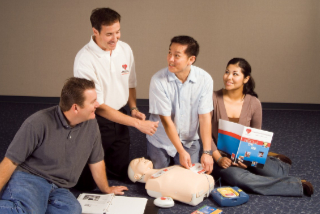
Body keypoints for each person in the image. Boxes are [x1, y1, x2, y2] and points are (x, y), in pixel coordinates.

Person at [0, 77, 128, 214]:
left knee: (72, 211)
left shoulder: (91, 124)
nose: (98, 104)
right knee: (26, 211)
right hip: (31, 178)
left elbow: (96, 160)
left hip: (60, 186)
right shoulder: (37, 122)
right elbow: (10, 162)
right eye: (93, 101)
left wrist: (106, 189)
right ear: (75, 108)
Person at [74, 8, 159, 186]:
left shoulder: (125, 49)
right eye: (109, 34)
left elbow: (130, 82)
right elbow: (98, 105)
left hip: (120, 114)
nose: (115, 38)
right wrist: (137, 123)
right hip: (95, 117)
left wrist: (134, 108)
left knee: (120, 172)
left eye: (118, 32)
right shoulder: (84, 60)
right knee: (87, 183)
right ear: (95, 31)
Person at [211, 58, 314, 197]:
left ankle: (275, 159)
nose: (229, 77)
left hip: (244, 153)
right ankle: (295, 186)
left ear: (246, 79)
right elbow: (204, 134)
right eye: (227, 72)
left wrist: (247, 161)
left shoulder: (254, 103)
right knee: (239, 178)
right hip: (219, 155)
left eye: (235, 74)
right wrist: (218, 158)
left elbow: (255, 136)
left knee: (276, 172)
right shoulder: (212, 98)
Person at [146, 36, 214, 174]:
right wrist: (181, 152)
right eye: (169, 53)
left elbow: (205, 117)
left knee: (188, 182)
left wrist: (207, 152)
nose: (170, 59)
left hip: (189, 140)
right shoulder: (158, 80)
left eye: (177, 55)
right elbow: (166, 121)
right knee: (159, 181)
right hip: (161, 139)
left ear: (191, 59)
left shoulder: (205, 79)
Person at [128, 157, 214, 206]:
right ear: (137, 176)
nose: (142, 158)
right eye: (137, 162)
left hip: (201, 182)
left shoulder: (164, 170)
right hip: (195, 188)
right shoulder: (151, 184)